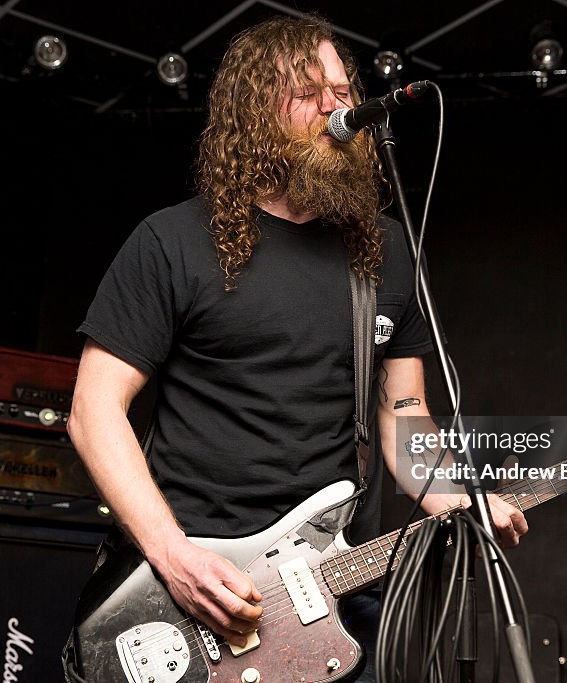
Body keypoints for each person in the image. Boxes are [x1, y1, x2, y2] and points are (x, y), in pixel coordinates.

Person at [66, 14, 528, 682]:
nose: (339, 106)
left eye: (344, 89)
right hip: (190, 586)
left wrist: (454, 495)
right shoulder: (173, 242)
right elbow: (94, 409)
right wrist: (175, 558)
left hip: (333, 590)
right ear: (256, 108)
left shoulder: (385, 250)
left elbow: (405, 413)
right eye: (312, 91)